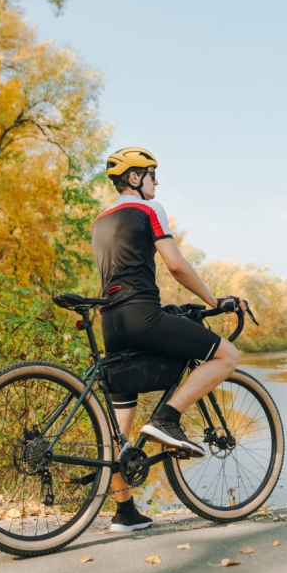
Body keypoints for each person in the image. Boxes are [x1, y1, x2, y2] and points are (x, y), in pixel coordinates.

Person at [91, 147, 247, 532]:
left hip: (109, 321)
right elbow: (175, 265)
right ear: (134, 178)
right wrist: (215, 301)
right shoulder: (148, 210)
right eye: (152, 174)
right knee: (227, 355)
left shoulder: (100, 220)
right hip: (142, 314)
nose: (156, 182)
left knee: (120, 429)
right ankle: (166, 417)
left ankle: (124, 513)